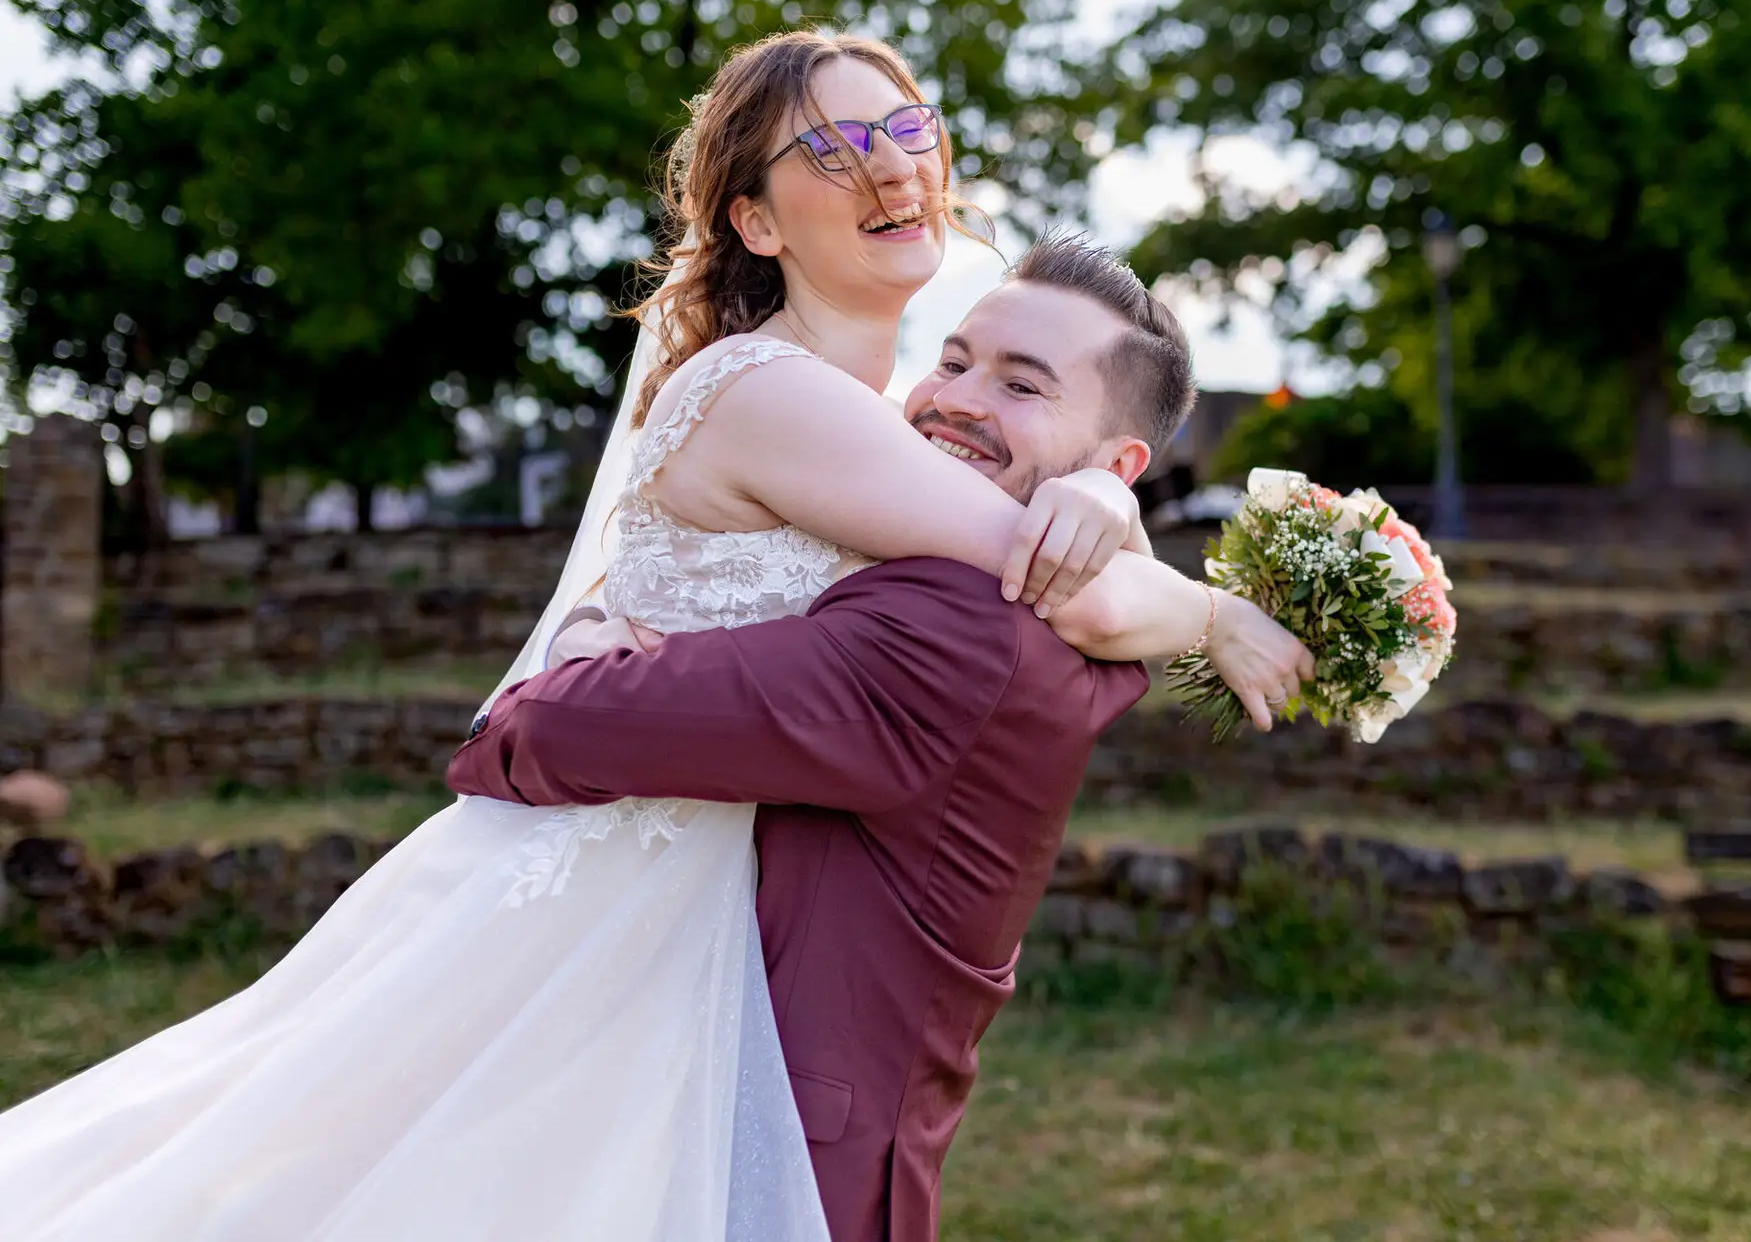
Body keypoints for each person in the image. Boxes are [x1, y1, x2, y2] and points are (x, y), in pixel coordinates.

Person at [0, 31, 1309, 1241]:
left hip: (704, 909)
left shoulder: (875, 421)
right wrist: (1200, 601)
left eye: (905, 127)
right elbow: (1064, 586)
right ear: (756, 220)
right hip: (616, 882)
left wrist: (1103, 500)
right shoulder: (770, 388)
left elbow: (1041, 564)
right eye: (832, 147)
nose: (889, 164)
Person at [447, 231, 1310, 1242]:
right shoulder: (1046, 605)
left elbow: (553, 727)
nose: (954, 399)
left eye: (1021, 386)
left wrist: (576, 646)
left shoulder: (957, 627)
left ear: (1118, 461)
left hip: (771, 1163)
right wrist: (1124, 523)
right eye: (953, 360)